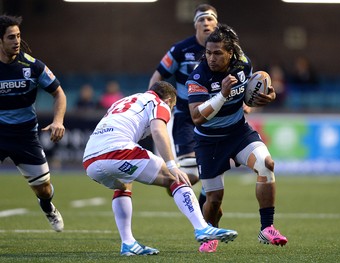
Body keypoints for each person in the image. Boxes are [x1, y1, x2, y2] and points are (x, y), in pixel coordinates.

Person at [82, 81, 238, 256]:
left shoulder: (127, 100)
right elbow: (158, 131)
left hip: (90, 161)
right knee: (175, 178)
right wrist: (172, 165)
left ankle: (128, 243)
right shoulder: (158, 102)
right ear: (170, 99)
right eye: (172, 106)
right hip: (116, 151)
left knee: (125, 184)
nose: (170, 111)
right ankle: (202, 228)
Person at [187, 24, 288, 250]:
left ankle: (266, 228)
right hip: (209, 141)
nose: (211, 58)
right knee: (213, 200)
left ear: (230, 53)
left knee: (266, 164)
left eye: (217, 53)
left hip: (239, 132)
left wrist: (265, 95)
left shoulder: (243, 63)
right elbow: (196, 117)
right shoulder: (198, 76)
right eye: (208, 52)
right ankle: (211, 235)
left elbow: (254, 85)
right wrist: (222, 95)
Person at [148, 5, 219, 220]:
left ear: (216, 23)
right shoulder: (180, 49)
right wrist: (151, 102)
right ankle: (172, 182)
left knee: (212, 171)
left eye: (210, 19)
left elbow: (245, 75)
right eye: (201, 20)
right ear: (195, 24)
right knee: (194, 174)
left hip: (215, 115)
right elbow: (157, 76)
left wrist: (247, 101)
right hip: (186, 116)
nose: (206, 23)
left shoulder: (227, 47)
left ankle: (202, 218)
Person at [0, 15, 66, 232]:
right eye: (11, 37)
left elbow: (59, 94)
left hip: (25, 137)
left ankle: (47, 207)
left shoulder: (32, 66)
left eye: (18, 36)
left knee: (44, 189)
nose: (16, 41)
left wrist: (58, 121)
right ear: (0, 41)